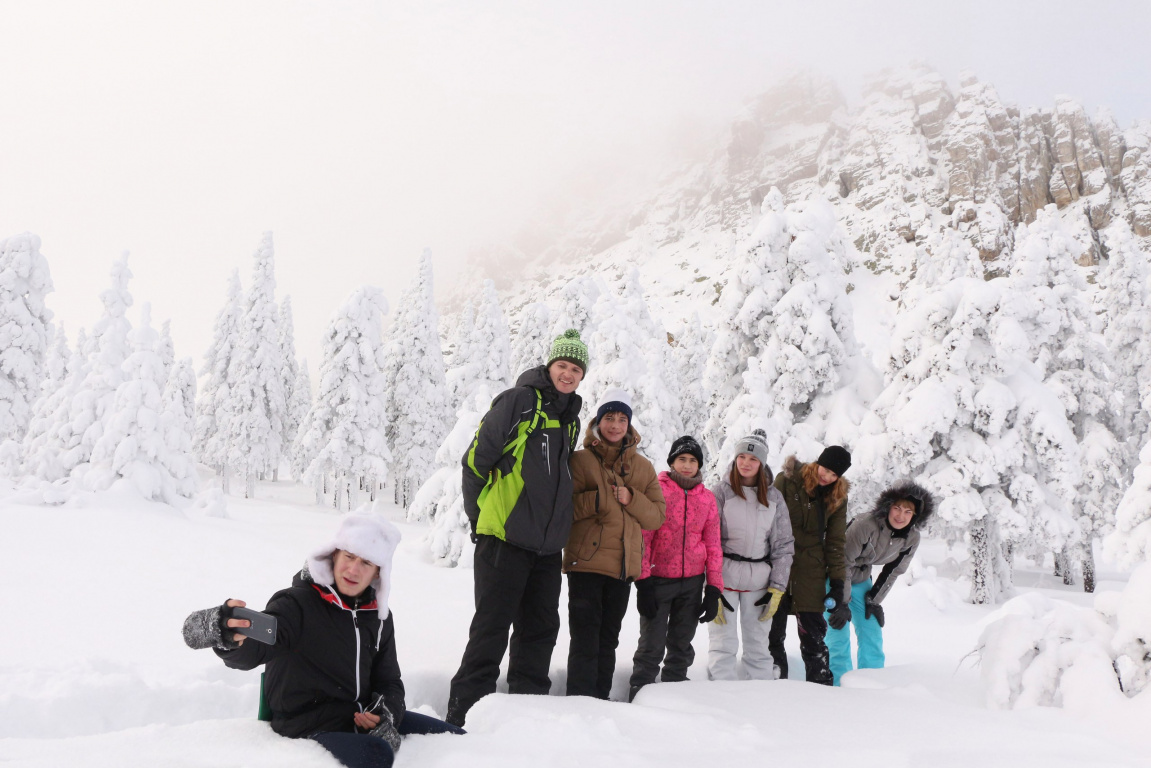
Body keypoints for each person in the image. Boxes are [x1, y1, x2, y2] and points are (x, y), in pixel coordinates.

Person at [181, 513, 463, 768]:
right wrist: (224, 632)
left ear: (378, 573)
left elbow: (389, 680)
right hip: (305, 724)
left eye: (366, 562)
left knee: (457, 740)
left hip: (358, 717)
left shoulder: (379, 618)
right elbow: (254, 650)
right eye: (349, 557)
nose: (353, 569)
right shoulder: (296, 604)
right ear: (334, 555)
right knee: (376, 756)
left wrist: (385, 714)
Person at [446, 329, 586, 726]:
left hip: (545, 550)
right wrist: (483, 521)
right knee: (490, 631)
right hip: (504, 542)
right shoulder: (519, 401)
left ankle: (525, 719)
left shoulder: (570, 417)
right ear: (550, 365)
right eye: (562, 365)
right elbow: (475, 463)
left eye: (575, 368)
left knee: (539, 633)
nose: (568, 373)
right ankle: (463, 718)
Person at [562, 387, 665, 699]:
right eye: (609, 417)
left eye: (622, 419)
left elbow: (656, 517)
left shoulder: (644, 468)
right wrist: (597, 500)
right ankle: (580, 701)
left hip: (622, 569)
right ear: (598, 421)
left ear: (629, 426)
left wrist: (631, 498)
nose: (615, 425)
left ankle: (600, 700)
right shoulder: (579, 461)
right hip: (587, 564)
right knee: (584, 638)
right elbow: (564, 508)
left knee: (608, 639)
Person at [629, 435, 723, 701]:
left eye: (692, 460)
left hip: (692, 584)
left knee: (681, 645)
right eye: (681, 459)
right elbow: (644, 537)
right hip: (658, 582)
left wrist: (714, 588)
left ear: (699, 465)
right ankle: (639, 693)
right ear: (671, 462)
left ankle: (675, 696)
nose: (686, 465)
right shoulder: (657, 491)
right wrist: (643, 581)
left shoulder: (707, 499)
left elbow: (713, 544)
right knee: (652, 644)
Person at [706, 429, 794, 681]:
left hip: (759, 583)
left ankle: (762, 697)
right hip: (724, 578)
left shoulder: (774, 497)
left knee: (758, 644)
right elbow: (709, 541)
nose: (746, 463)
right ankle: (721, 692)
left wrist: (777, 588)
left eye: (753, 459)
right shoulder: (720, 493)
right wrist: (711, 584)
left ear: (762, 464)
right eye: (742, 456)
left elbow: (784, 545)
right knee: (723, 643)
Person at [828, 481, 934, 685]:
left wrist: (874, 600)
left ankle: (872, 682)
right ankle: (837, 684)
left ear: (915, 516)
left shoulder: (911, 538)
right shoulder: (866, 525)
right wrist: (841, 602)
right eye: (897, 508)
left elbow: (894, 570)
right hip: (834, 578)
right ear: (888, 507)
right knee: (838, 630)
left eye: (908, 512)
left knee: (871, 629)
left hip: (860, 578)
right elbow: (842, 562)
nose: (900, 516)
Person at [768, 445, 851, 686]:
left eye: (834, 474)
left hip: (812, 572)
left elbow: (836, 541)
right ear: (818, 463)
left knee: (814, 639)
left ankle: (821, 691)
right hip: (779, 566)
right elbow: (767, 519)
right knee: (772, 636)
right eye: (825, 469)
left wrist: (836, 583)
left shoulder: (837, 497)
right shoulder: (787, 480)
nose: (827, 476)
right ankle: (772, 688)